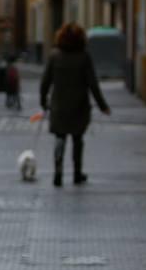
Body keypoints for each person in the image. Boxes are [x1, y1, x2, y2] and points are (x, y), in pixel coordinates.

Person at [39, 23, 111, 186]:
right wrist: (102, 105)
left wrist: (43, 101)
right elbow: (93, 84)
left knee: (60, 138)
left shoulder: (54, 56)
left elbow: (45, 82)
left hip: (58, 106)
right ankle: (77, 173)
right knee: (78, 140)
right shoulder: (84, 57)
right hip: (79, 106)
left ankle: (58, 173)